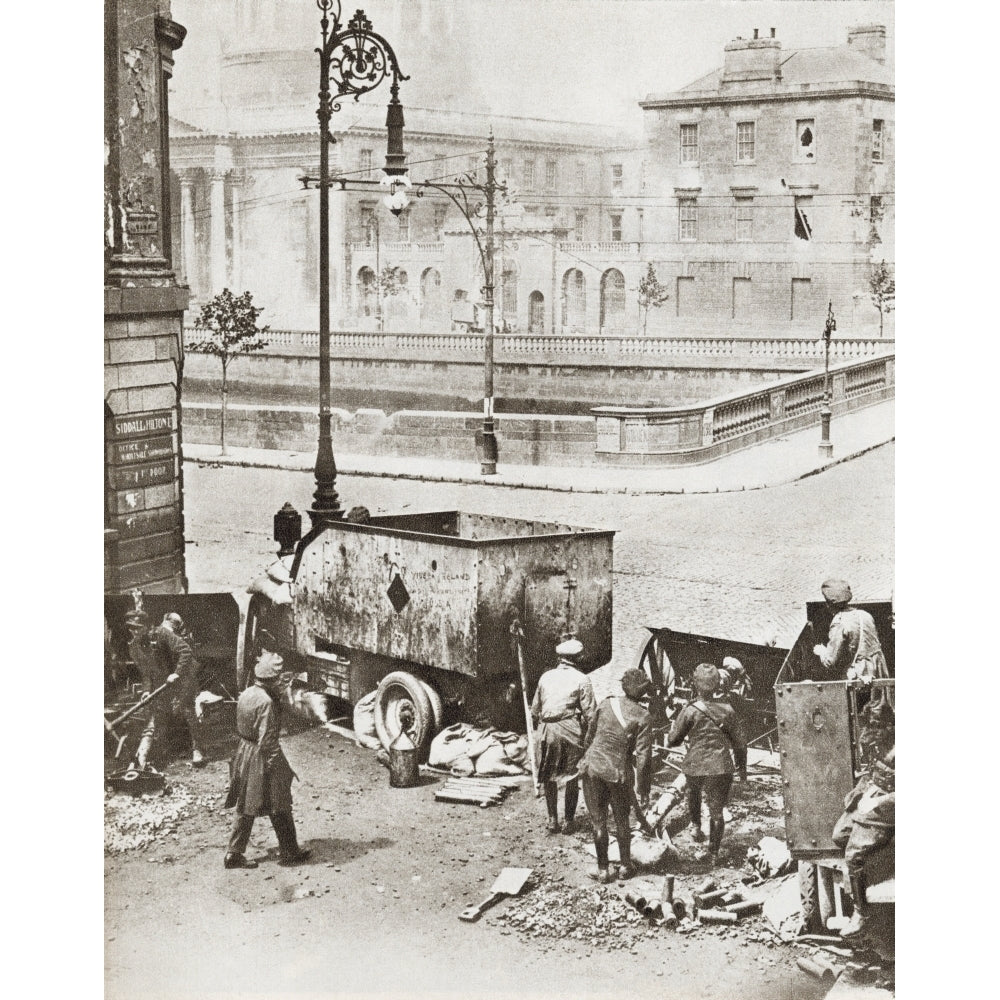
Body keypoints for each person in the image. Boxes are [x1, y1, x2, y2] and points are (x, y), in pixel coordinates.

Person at [224, 650, 311, 870]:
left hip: (245, 750)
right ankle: (289, 851)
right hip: (262, 754)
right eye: (282, 679)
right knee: (280, 800)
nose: (284, 683)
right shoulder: (266, 703)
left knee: (247, 802)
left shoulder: (247, 693)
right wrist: (276, 768)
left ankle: (234, 853)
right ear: (273, 679)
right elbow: (268, 740)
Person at [667, 663, 747, 867]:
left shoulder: (690, 710)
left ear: (695, 684)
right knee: (717, 810)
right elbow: (740, 743)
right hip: (720, 766)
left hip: (695, 764)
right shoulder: (728, 710)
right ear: (718, 684)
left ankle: (695, 827)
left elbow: (673, 740)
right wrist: (742, 769)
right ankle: (713, 853)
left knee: (693, 793)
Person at [577, 668, 653, 883]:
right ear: (643, 691)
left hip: (593, 768)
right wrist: (643, 789)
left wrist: (588, 759)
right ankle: (625, 867)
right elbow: (644, 757)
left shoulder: (605, 703)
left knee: (598, 822)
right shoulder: (644, 715)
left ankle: (603, 870)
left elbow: (589, 736)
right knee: (621, 821)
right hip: (618, 773)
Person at [530, 637, 596, 834]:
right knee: (572, 777)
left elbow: (535, 710)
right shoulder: (582, 679)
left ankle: (552, 820)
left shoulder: (545, 677)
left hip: (548, 730)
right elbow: (591, 714)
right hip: (570, 731)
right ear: (576, 659)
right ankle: (568, 821)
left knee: (549, 776)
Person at [832, 748, 895, 939]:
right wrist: (863, 792)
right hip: (877, 793)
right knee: (840, 836)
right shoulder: (890, 733)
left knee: (853, 855)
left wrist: (878, 802)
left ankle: (861, 914)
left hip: (891, 806)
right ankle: (874, 866)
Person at [151, 612, 206, 767]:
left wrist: (176, 673)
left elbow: (186, 651)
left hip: (184, 678)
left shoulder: (165, 633)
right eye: (176, 624)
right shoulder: (161, 633)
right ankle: (167, 749)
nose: (176, 628)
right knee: (168, 711)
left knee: (187, 711)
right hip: (171, 679)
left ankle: (197, 750)